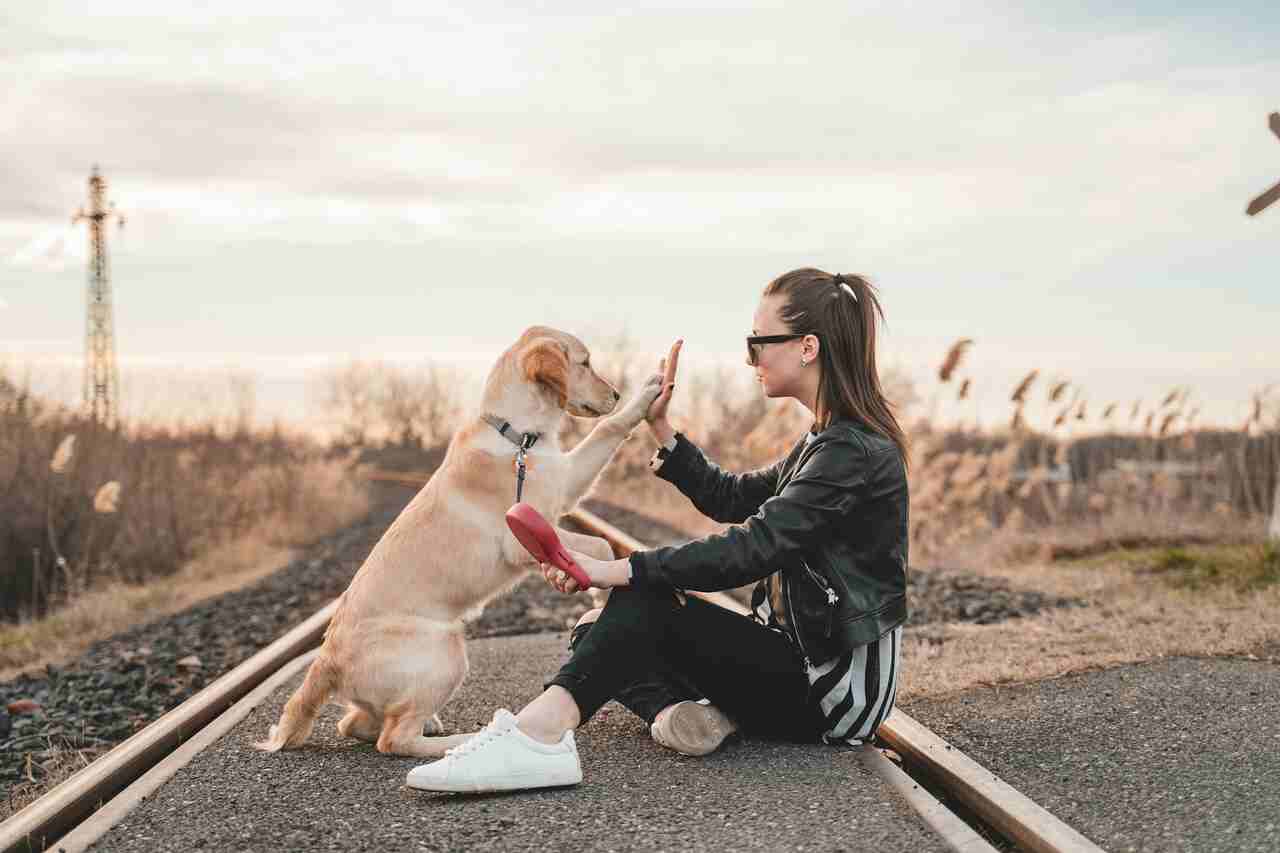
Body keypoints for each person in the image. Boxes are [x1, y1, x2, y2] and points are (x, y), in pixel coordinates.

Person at [406, 267, 911, 794]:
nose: (750, 358)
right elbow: (730, 498)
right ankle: (685, 715)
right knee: (596, 630)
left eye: (758, 342)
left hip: (831, 692)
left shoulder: (851, 452)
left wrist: (619, 569)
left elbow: (755, 547)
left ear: (807, 347)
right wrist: (661, 427)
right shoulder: (825, 442)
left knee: (638, 605)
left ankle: (538, 737)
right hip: (794, 662)